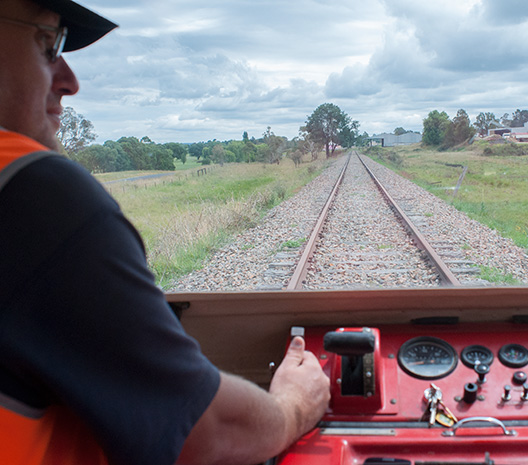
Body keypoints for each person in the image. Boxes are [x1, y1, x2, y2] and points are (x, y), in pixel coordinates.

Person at [0, 1, 330, 464]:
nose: (70, 80)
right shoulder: (29, 194)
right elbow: (204, 430)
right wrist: (295, 405)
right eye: (48, 42)